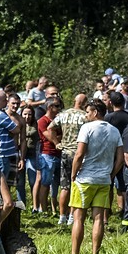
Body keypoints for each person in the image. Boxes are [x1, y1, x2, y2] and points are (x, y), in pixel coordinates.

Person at [69, 100, 124, 254]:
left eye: (87, 112)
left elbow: (79, 154)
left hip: (85, 179)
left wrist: (73, 174)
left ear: (95, 112)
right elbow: (120, 159)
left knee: (78, 218)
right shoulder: (114, 131)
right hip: (104, 180)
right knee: (99, 219)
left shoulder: (86, 128)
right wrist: (111, 174)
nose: (86, 115)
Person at [51, 94, 87, 225]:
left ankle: (62, 216)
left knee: (65, 186)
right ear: (84, 103)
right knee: (76, 185)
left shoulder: (63, 115)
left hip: (65, 152)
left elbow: (50, 128)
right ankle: (72, 215)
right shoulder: (85, 116)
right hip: (79, 153)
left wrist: (56, 143)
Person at [35, 98, 62, 215]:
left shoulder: (58, 120)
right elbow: (48, 135)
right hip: (47, 154)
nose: (59, 108)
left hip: (58, 154)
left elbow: (62, 135)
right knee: (45, 183)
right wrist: (57, 142)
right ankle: (44, 209)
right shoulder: (42, 121)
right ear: (50, 107)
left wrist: (57, 139)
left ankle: (56, 208)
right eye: (57, 106)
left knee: (58, 183)